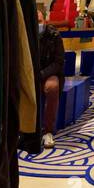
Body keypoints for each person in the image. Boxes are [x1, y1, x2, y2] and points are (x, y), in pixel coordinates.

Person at [38, 18, 66, 149]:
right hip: (31, 73)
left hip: (50, 72)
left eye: (40, 21)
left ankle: (47, 131)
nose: (38, 24)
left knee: (52, 87)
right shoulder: (26, 33)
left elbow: (58, 62)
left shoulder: (54, 35)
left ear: (45, 21)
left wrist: (41, 74)